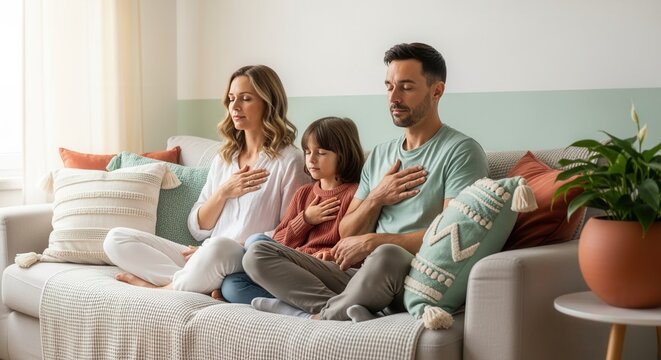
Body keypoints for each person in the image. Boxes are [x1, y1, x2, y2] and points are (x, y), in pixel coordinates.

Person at [244, 43, 489, 321]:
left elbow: (452, 236)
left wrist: (374, 241)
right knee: (257, 253)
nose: (393, 97)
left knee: (388, 254)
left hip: (407, 274)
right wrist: (377, 197)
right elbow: (347, 232)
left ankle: (318, 316)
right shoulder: (380, 155)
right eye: (389, 86)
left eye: (406, 87)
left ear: (437, 91)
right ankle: (348, 309)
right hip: (358, 275)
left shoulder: (461, 151)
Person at [103, 65, 309, 295]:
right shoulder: (224, 158)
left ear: (268, 103)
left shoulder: (289, 160)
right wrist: (223, 193)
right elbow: (196, 226)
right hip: (207, 254)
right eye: (231, 99)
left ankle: (164, 288)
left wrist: (218, 248)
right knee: (116, 239)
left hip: (243, 257)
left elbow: (289, 232)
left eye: (245, 98)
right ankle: (200, 282)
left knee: (219, 247)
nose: (235, 107)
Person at [220, 116, 365, 304]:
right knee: (232, 284)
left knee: (255, 242)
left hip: (321, 270)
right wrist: (305, 219)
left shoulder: (355, 195)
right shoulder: (303, 194)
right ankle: (292, 307)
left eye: (320, 153)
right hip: (292, 266)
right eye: (307, 152)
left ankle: (301, 304)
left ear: (343, 155)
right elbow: (278, 241)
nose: (311, 159)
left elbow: (356, 246)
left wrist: (330, 255)